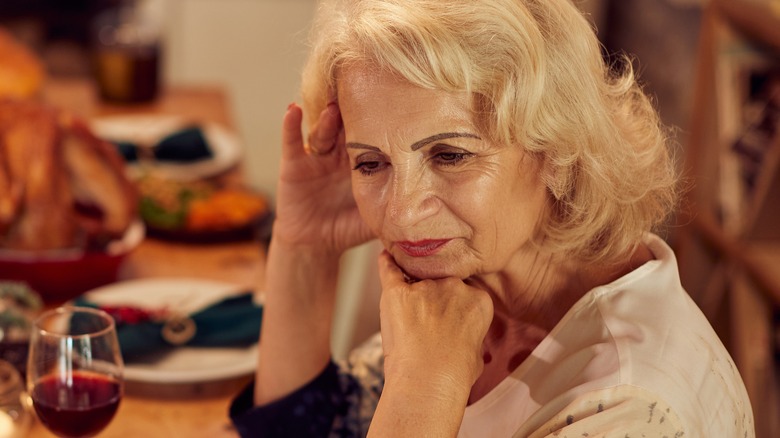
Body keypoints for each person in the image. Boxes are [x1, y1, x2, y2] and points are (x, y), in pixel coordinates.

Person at [230, 0, 755, 436]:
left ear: (558, 149)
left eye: (450, 156)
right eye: (371, 163)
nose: (402, 210)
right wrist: (304, 248)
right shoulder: (462, 292)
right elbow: (321, 429)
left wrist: (422, 390)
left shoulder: (633, 410)